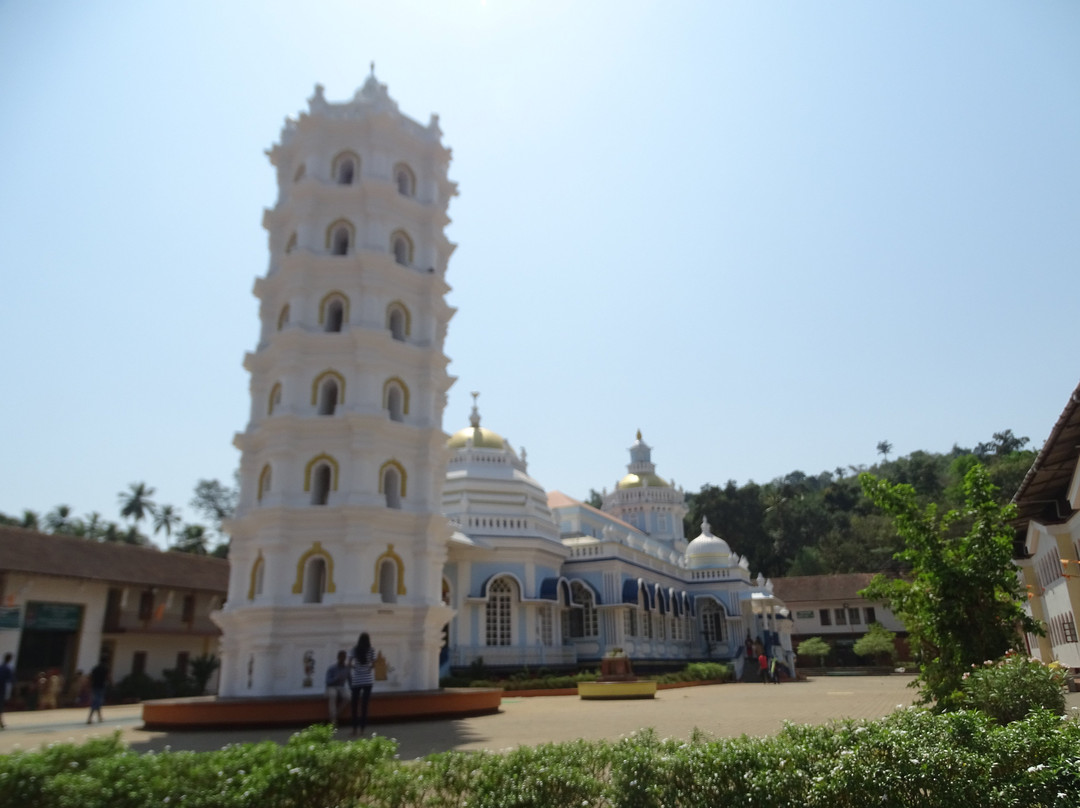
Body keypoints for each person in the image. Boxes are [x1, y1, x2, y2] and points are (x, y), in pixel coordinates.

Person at [348, 632, 376, 737]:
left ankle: (354, 730)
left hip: (357, 680)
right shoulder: (371, 650)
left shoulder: (354, 650)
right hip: (368, 680)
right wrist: (368, 669)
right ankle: (362, 730)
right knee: (364, 706)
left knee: (354, 705)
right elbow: (374, 663)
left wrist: (355, 668)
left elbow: (349, 663)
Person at [325, 650, 349, 724]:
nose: (343, 659)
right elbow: (327, 681)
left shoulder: (346, 668)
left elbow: (350, 679)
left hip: (341, 687)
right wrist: (335, 678)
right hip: (331, 687)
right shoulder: (332, 668)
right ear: (338, 657)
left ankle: (335, 715)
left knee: (347, 697)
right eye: (341, 657)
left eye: (344, 657)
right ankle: (333, 720)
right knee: (333, 695)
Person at [87, 659, 109, 724]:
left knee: (96, 701)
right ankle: (90, 718)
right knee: (97, 702)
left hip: (94, 686)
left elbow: (90, 677)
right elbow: (108, 677)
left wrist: (89, 685)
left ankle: (99, 717)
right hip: (101, 686)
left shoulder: (95, 669)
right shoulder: (105, 668)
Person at [0, 653, 14, 729]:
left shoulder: (1, 667)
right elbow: (11, 679)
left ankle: (1, 722)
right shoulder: (7, 668)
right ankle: (1, 723)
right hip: (2, 689)